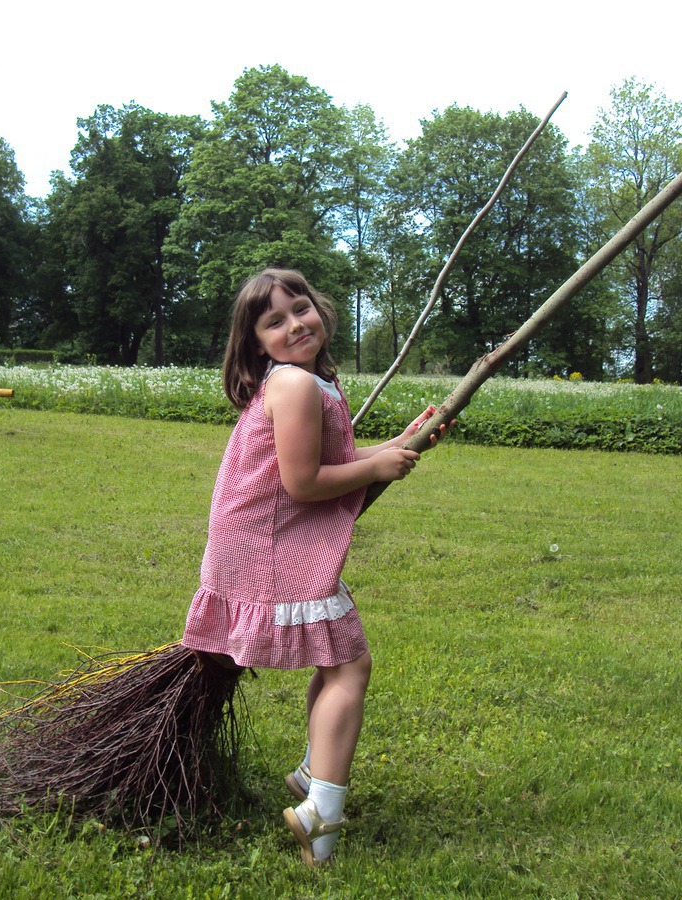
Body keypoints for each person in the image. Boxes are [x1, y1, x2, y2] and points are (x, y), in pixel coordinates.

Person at [181, 267, 448, 866]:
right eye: (274, 321)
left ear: (318, 309)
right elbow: (303, 483)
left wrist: (405, 441)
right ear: (256, 343)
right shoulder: (296, 385)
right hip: (268, 547)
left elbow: (336, 457)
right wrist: (375, 469)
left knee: (338, 661)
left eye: (300, 308)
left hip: (266, 539)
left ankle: (312, 773)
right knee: (350, 666)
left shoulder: (306, 381)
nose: (295, 325)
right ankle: (320, 812)